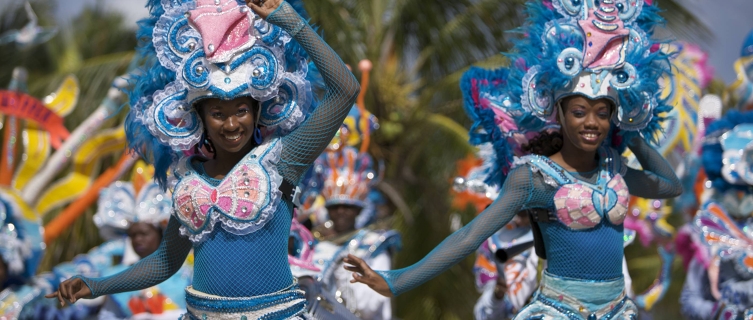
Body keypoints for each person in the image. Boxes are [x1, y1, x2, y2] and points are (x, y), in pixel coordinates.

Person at [344, 0, 682, 318]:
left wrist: (632, 129)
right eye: (579, 112)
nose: (592, 123)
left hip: (617, 311)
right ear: (559, 113)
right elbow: (468, 237)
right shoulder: (534, 177)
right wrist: (396, 281)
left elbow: (669, 186)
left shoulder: (613, 169)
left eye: (603, 113)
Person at [46, 0, 360, 317]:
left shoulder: (282, 160)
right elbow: (164, 262)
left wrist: (290, 21)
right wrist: (96, 285)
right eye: (218, 113)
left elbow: (346, 89)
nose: (232, 124)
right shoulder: (188, 181)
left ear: (256, 112)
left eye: (241, 110)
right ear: (201, 117)